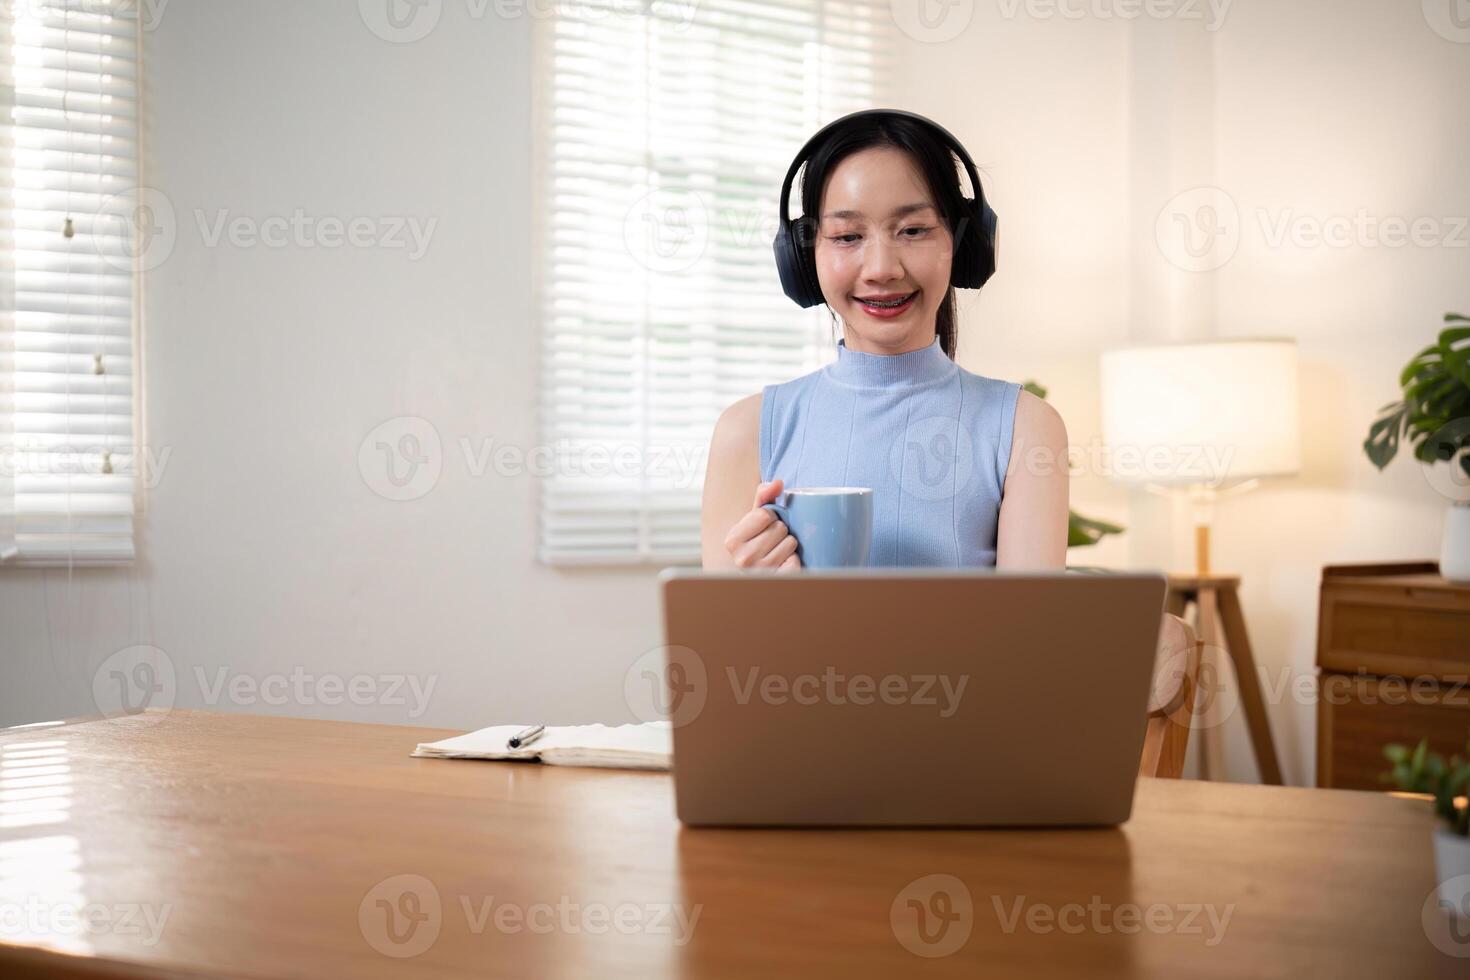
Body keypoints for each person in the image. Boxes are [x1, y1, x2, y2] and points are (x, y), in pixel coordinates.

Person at [700, 111, 1069, 571]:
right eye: (847, 236)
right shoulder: (746, 432)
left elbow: (1033, 637)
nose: (881, 268)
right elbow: (720, 642)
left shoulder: (1024, 428)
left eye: (913, 230)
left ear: (963, 244)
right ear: (802, 256)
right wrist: (753, 605)